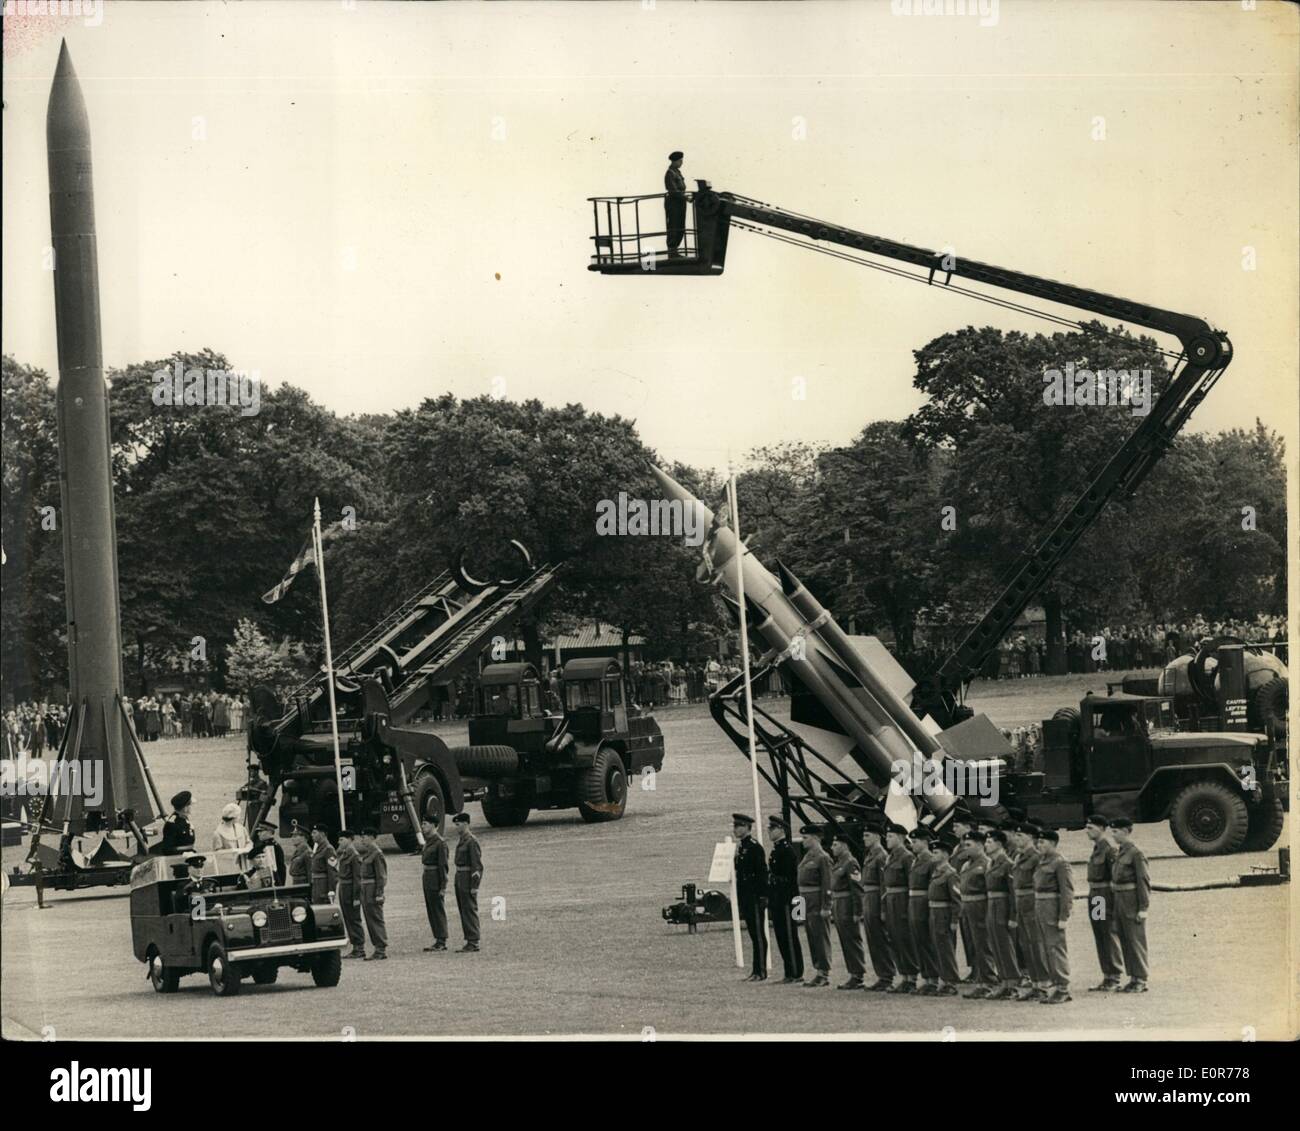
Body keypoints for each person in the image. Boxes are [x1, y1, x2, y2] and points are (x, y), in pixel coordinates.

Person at [1009, 822, 1050, 1001]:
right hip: (1021, 904)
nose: (1016, 839)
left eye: (1020, 836)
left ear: (1031, 838)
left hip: (1032, 903)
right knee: (1026, 944)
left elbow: (1039, 883)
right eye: (1016, 835)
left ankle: (1043, 984)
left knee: (1037, 944)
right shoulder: (1020, 857)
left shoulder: (1036, 857)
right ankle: (1034, 983)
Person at [1109, 817, 1151, 993]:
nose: (1113, 835)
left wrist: (1143, 908)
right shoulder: (1120, 852)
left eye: (1116, 832)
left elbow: (1143, 881)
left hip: (1131, 901)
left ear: (1126, 832)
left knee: (1135, 940)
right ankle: (1133, 978)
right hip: (1119, 900)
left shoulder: (1135, 853)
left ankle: (1140, 978)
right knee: (1125, 939)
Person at [1084, 813, 1124, 992]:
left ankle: (1114, 975)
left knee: (1107, 932)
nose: (1087, 831)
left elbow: (1115, 877)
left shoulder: (1108, 850)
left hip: (1103, 896)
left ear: (1102, 829)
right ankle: (1107, 974)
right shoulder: (1097, 848)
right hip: (1095, 895)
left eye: (1091, 828)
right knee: (1099, 932)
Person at [1033, 828, 1074, 1003]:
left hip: (1052, 908)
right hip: (1040, 906)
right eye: (1038, 842)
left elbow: (1067, 891)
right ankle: (1056, 986)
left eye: (1043, 842)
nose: (1039, 845)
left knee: (1055, 948)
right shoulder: (1043, 861)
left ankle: (1063, 988)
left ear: (1053, 844)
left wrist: (1064, 916)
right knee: (1045, 948)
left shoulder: (1060, 862)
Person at [983, 829, 1022, 999]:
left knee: (1005, 946)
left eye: (989, 842)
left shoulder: (1007, 864)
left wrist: (1013, 916)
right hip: (992, 906)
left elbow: (1013, 892)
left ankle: (1012, 983)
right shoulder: (991, 863)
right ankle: (1004, 981)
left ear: (999, 844)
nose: (986, 844)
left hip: (1003, 907)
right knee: (996, 945)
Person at [957, 832, 997, 997]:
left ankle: (987, 981)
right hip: (967, 907)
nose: (965, 848)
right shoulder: (966, 865)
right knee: (973, 945)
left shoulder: (987, 863)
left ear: (980, 845)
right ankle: (980, 979)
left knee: (983, 945)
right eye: (964, 845)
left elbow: (990, 889)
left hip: (980, 907)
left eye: (969, 845)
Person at [766, 816, 803, 983]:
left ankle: (795, 972)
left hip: (786, 899)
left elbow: (789, 877)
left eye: (772, 828)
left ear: (781, 829)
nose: (769, 831)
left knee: (788, 936)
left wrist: (773, 880)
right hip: (778, 898)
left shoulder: (786, 850)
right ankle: (789, 971)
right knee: (781, 936)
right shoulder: (777, 849)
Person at [882, 823, 918, 993]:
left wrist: (909, 907)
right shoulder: (890, 857)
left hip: (902, 900)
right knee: (894, 938)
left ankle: (912, 977)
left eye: (891, 836)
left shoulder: (907, 857)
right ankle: (904, 975)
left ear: (901, 838)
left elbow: (912, 883)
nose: (887, 839)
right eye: (887, 836)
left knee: (905, 938)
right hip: (891, 900)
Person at [795, 823, 833, 987]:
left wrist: (826, 906)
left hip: (817, 900)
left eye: (805, 838)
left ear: (815, 838)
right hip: (805, 899)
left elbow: (827, 884)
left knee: (820, 935)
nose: (802, 841)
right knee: (811, 935)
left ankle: (823, 972)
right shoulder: (808, 856)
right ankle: (818, 969)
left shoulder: (822, 857)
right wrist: (798, 909)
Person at [732, 813, 768, 980]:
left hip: (754, 895)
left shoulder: (754, 847)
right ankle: (755, 970)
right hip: (745, 894)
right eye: (735, 826)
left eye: (738, 826)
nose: (735, 829)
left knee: (758, 934)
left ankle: (760, 970)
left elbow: (761, 874)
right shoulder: (742, 847)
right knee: (753, 933)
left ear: (747, 827)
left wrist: (762, 896)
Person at [859, 824, 896, 991]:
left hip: (876, 898)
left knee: (880, 939)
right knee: (872, 938)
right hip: (868, 898)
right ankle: (882, 975)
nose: (864, 838)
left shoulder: (881, 856)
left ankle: (887, 975)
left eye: (867, 835)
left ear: (877, 837)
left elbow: (884, 884)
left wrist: (883, 908)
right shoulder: (870, 855)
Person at [828, 831, 865, 990]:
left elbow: (856, 888)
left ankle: (858, 975)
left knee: (852, 939)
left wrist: (858, 911)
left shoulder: (850, 862)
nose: (832, 848)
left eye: (835, 845)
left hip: (847, 904)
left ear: (844, 846)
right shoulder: (839, 862)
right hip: (839, 904)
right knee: (845, 940)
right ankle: (853, 973)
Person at [907, 825, 941, 994]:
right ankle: (926, 978)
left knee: (927, 942)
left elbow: (932, 885)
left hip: (924, 904)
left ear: (924, 842)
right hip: (914, 903)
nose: (912, 845)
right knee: (918, 941)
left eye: (914, 842)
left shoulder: (930, 860)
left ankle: (933, 979)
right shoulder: (917, 859)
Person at [926, 837, 962, 995]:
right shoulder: (937, 872)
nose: (932, 855)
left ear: (945, 855)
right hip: (934, 913)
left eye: (936, 852)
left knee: (946, 948)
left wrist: (954, 920)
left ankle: (951, 982)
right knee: (937, 947)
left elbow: (956, 899)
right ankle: (943, 980)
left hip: (944, 914)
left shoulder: (950, 874)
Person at [453, 811, 483, 953]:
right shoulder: (462, 839)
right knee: (463, 909)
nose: (456, 827)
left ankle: (473, 940)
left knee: (469, 909)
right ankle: (469, 939)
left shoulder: (471, 841)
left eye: (458, 824)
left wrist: (474, 886)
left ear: (466, 824)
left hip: (467, 877)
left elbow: (477, 866)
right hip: (460, 877)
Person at [357, 828, 389, 960]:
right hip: (366, 889)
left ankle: (381, 948)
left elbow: (381, 876)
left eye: (364, 837)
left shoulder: (377, 854)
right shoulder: (369, 853)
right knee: (370, 918)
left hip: (372, 889)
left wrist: (379, 893)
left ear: (372, 837)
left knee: (376, 918)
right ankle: (377, 947)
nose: (362, 839)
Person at [420, 819, 450, 953]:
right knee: (431, 909)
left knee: (437, 909)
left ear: (434, 825)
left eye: (425, 824)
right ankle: (438, 938)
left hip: (435, 878)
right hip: (427, 877)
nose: (423, 826)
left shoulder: (440, 843)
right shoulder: (428, 841)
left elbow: (443, 866)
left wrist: (443, 886)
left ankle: (442, 939)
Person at [335, 829, 367, 959]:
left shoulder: (353, 855)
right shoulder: (344, 853)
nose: (339, 842)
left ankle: (359, 947)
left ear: (350, 840)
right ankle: (355, 946)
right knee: (348, 918)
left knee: (354, 918)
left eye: (342, 839)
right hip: (344, 888)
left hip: (350, 890)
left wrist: (356, 897)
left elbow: (357, 879)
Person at [664, 151, 687, 257]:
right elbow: (673, 190)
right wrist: (685, 197)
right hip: (674, 204)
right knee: (674, 226)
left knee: (680, 226)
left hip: (680, 203)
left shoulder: (677, 172)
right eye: (680, 161)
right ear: (675, 161)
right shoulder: (670, 173)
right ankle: (672, 251)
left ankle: (675, 250)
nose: (681, 162)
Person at [308, 824, 339, 903]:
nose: (312, 835)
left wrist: (331, 890)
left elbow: (332, 872)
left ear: (322, 834)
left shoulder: (328, 849)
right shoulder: (318, 848)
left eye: (314, 833)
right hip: (317, 886)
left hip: (323, 888)